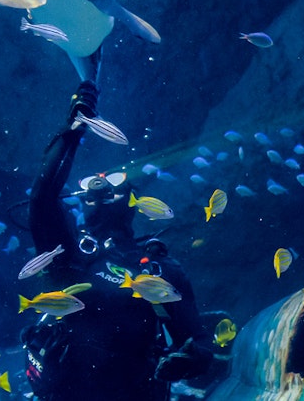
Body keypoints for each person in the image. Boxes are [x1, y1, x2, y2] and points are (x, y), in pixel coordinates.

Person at [22, 81, 212, 400]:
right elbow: (42, 199)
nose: (100, 187)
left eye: (113, 181)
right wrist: (74, 126)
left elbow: (198, 341)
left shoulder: (160, 269)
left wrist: (192, 360)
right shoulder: (69, 253)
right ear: (82, 200)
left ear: (130, 200)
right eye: (92, 184)